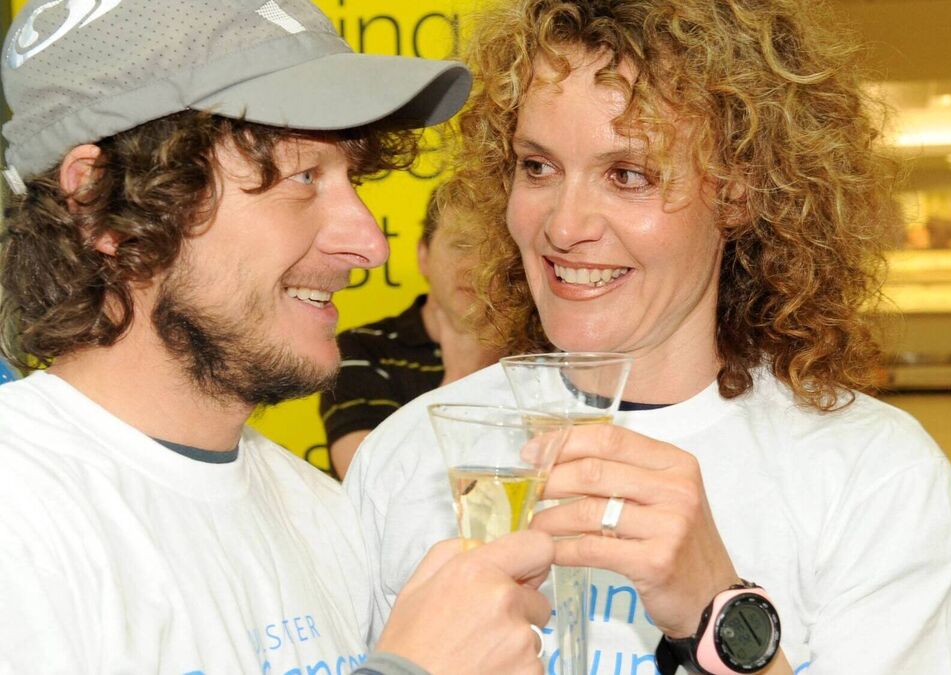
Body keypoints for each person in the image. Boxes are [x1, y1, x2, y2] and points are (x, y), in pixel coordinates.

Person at [346, 0, 951, 672]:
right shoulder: (413, 456)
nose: (564, 226)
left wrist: (718, 612)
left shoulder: (873, 477)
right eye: (538, 167)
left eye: (628, 175)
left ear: (739, 192)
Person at [0, 1, 552, 673]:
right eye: (302, 177)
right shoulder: (19, 511)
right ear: (101, 206)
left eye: (352, 178)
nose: (369, 244)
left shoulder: (323, 517)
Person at [321, 182, 502, 478]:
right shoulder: (363, 350)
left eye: (495, 250)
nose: (476, 266)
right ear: (423, 256)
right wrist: (462, 376)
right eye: (461, 245)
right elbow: (372, 482)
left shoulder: (542, 354)